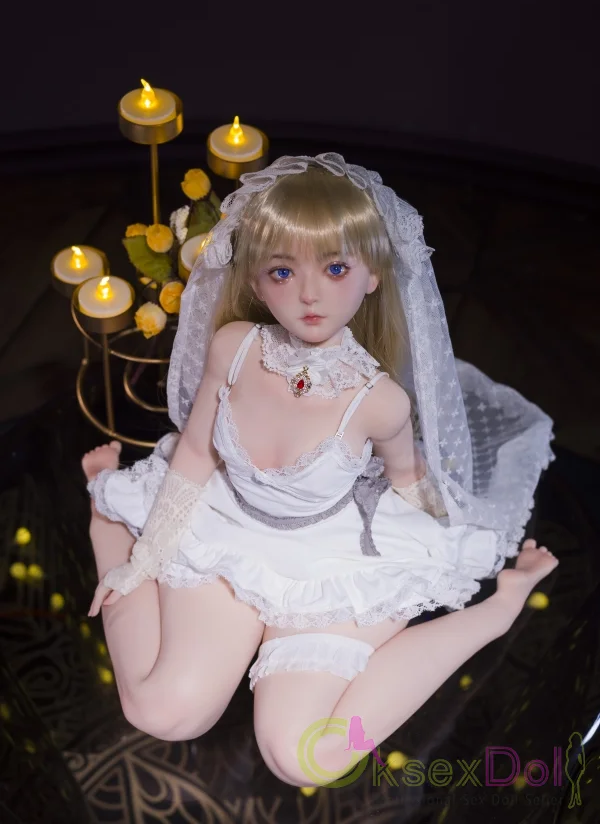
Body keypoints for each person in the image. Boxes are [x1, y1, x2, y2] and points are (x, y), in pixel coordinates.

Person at [82, 153, 558, 788]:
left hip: (328, 560)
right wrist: (144, 556)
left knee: (303, 757)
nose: (310, 294)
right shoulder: (234, 347)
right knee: (161, 712)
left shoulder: (380, 401)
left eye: (335, 268)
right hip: (226, 532)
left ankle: (498, 614)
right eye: (283, 271)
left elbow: (408, 477)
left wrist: (451, 538)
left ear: (372, 276)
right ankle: (108, 520)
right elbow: (195, 452)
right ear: (256, 281)